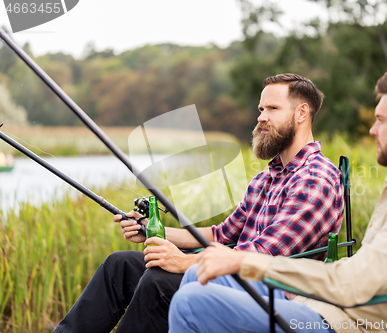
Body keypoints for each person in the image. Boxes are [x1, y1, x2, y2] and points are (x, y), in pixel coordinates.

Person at [168, 64, 387, 333]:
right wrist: (302, 282)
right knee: (202, 280)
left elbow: (354, 284)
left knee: (191, 301)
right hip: (334, 309)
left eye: (381, 120)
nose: (373, 130)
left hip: (348, 324)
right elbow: (365, 271)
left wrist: (247, 262)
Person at [54, 73, 344, 333]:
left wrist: (184, 262)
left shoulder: (315, 178)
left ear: (302, 113)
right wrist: (151, 231)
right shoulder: (266, 178)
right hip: (234, 275)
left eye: (272, 109)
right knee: (120, 265)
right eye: (261, 109)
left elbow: (262, 254)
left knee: (158, 282)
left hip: (270, 292)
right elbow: (221, 235)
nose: (261, 117)